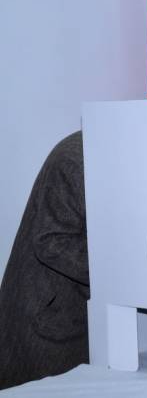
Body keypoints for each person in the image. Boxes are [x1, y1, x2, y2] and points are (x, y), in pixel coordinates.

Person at [0, 131, 89, 390]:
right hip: (44, 322)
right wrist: (122, 270)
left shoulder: (110, 156)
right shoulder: (75, 158)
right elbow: (52, 242)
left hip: (73, 317)